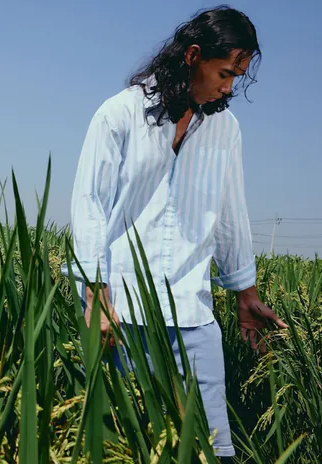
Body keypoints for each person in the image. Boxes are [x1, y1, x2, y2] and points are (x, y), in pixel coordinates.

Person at [61, 5, 288, 460]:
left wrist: (245, 295)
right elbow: (90, 206)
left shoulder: (225, 129)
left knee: (213, 448)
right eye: (225, 73)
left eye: (237, 77)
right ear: (193, 56)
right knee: (125, 444)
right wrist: (95, 294)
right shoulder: (120, 114)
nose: (229, 87)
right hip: (122, 313)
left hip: (192, 312)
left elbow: (229, 214)